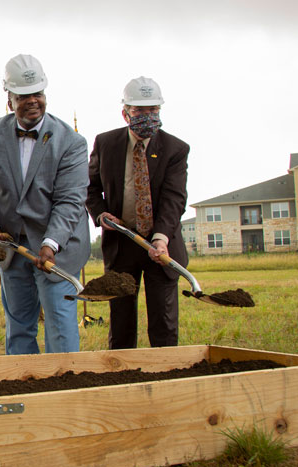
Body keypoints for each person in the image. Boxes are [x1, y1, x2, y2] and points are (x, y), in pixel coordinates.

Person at [0, 54, 90, 355]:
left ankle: (63, 388)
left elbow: (69, 201)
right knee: (19, 327)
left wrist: (51, 243)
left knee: (60, 327)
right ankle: (24, 388)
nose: (32, 101)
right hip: (13, 248)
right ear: (9, 99)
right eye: (23, 96)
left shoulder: (71, 142)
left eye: (37, 94)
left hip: (58, 248)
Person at [86, 76, 189, 349]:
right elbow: (90, 187)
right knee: (120, 323)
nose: (148, 116)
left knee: (163, 323)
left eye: (153, 110)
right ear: (125, 113)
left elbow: (174, 199)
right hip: (123, 244)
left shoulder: (175, 149)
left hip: (160, 247)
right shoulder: (106, 143)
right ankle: (122, 377)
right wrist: (100, 214)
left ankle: (167, 377)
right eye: (140, 111)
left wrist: (161, 238)